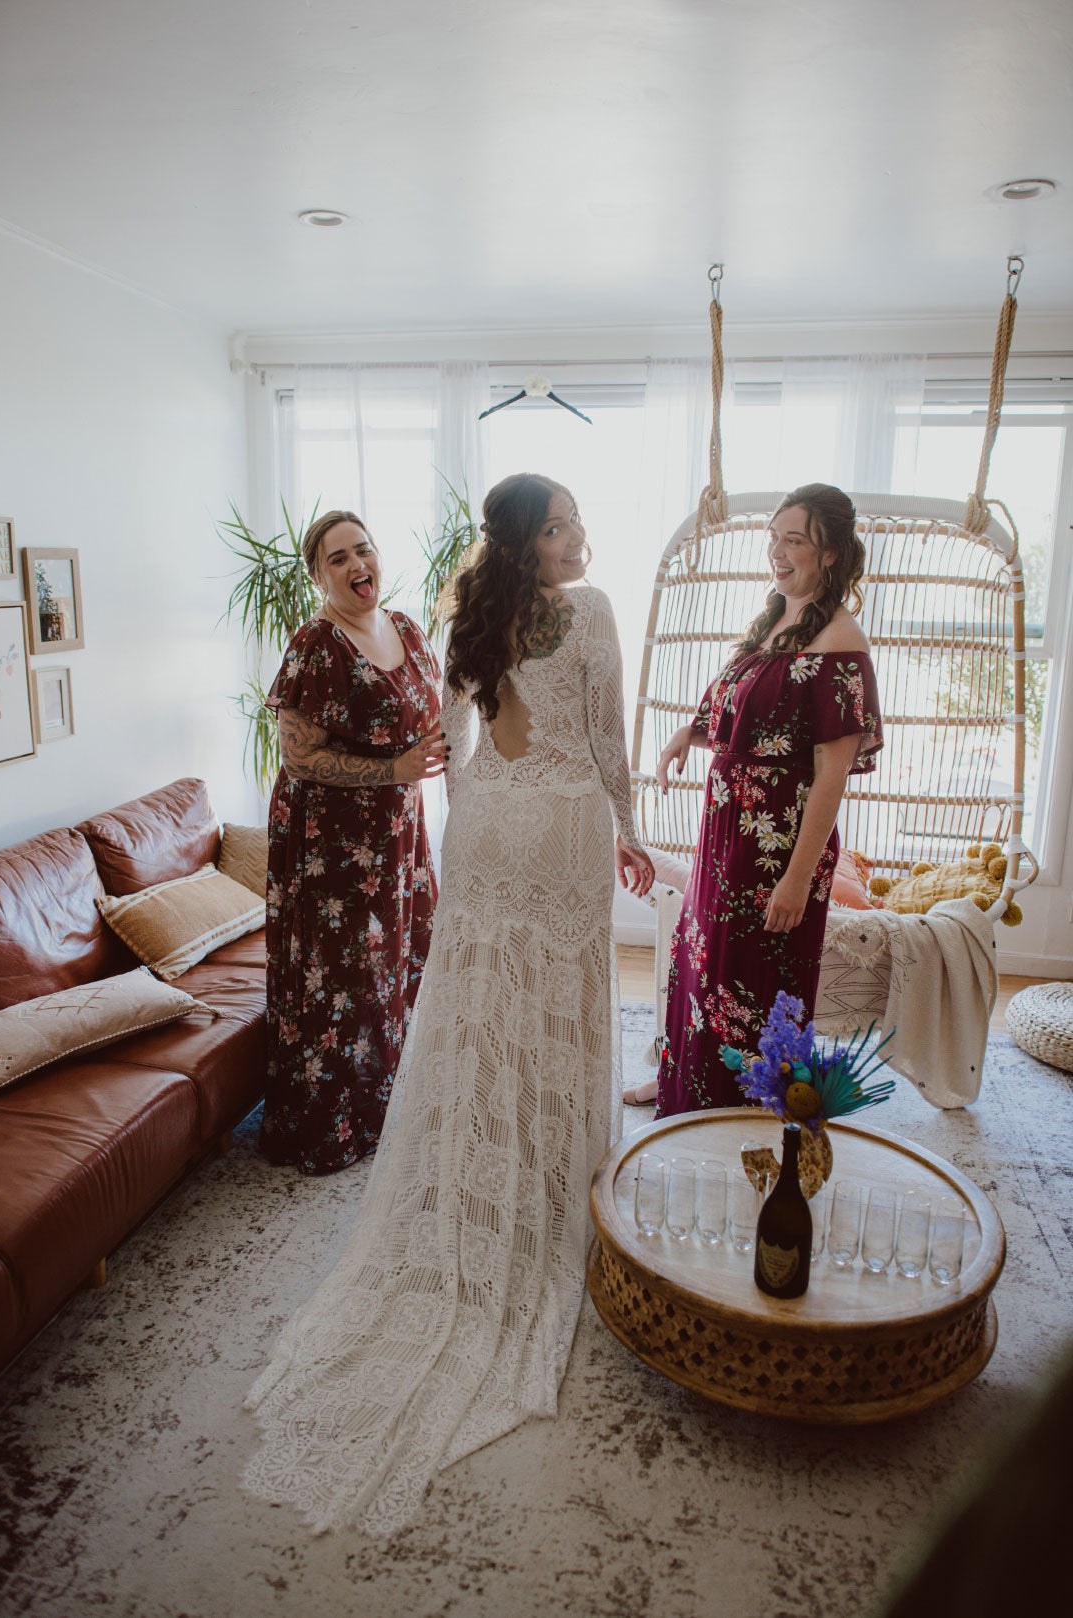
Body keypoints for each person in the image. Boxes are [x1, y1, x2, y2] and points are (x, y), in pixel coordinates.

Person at [244, 473, 653, 1536]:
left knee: (475, 1011)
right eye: (566, 524)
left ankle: (481, 1175)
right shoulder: (591, 611)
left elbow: (462, 752)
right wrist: (632, 826)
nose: (582, 538)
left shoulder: (470, 607)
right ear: (533, 539)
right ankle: (554, 1177)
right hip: (559, 826)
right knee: (560, 1003)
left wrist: (458, 845)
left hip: (487, 829)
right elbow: (607, 739)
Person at [623, 483, 882, 1113]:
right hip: (726, 836)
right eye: (774, 536)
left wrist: (796, 880)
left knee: (755, 979)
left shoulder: (841, 642)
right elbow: (741, 708)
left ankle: (741, 1101)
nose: (777, 551)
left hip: (780, 849)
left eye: (794, 539)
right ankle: (682, 1072)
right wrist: (689, 733)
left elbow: (830, 775)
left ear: (830, 553)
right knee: (701, 959)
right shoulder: (774, 619)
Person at [260, 508, 446, 1174]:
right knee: (344, 982)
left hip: (397, 833)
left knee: (398, 969)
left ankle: (382, 1109)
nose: (355, 565)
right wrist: (391, 769)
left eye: (362, 550)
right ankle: (330, 1129)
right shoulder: (317, 642)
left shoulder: (406, 628)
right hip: (330, 845)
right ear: (318, 576)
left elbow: (434, 713)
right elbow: (300, 757)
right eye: (337, 558)